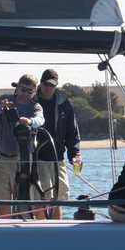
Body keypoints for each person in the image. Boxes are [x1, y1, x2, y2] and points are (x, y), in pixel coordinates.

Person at [0, 74, 45, 217]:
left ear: (34, 92)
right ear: (17, 88)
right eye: (22, 89)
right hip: (2, 158)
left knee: (24, 199)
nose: (25, 93)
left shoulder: (35, 106)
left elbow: (40, 120)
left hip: (24, 161)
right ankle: (5, 226)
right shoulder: (5, 99)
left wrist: (29, 121)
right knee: (3, 200)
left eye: (29, 91)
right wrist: (1, 108)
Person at [36, 69, 81, 219]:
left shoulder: (64, 104)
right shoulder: (32, 101)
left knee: (60, 197)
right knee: (41, 197)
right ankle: (41, 228)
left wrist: (75, 155)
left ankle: (56, 227)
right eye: (46, 84)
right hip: (37, 159)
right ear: (41, 83)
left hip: (58, 159)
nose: (48, 88)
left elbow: (72, 132)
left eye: (52, 85)